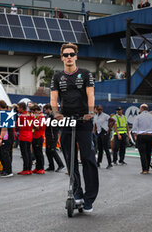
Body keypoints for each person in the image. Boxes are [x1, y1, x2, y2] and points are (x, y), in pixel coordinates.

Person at [50, 42, 98, 213]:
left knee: (88, 159)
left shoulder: (85, 74)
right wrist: (56, 113)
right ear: (61, 57)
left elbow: (90, 94)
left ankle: (89, 198)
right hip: (66, 120)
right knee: (70, 159)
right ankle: (77, 191)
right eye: (65, 55)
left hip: (84, 120)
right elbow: (53, 98)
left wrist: (90, 112)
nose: (68, 57)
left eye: (71, 54)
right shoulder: (57, 77)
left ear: (76, 56)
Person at [132, 104, 152, 174]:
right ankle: (148, 168)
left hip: (141, 136)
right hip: (150, 136)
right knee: (148, 153)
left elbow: (134, 128)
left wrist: (135, 136)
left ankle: (144, 169)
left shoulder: (138, 117)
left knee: (142, 153)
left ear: (141, 109)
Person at [43, 104, 65, 172]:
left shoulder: (53, 116)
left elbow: (55, 125)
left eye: (45, 110)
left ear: (49, 109)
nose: (44, 111)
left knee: (52, 150)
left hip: (53, 136)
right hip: (49, 135)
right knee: (47, 151)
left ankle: (61, 164)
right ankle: (51, 166)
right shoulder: (49, 115)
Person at [17, 102, 34, 175]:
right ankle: (29, 169)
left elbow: (17, 125)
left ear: (21, 108)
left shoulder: (21, 116)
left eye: (18, 107)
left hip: (23, 136)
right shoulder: (31, 115)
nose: (17, 109)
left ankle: (25, 169)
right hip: (29, 135)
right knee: (29, 153)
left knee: (24, 153)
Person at [31, 104, 46, 174]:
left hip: (39, 136)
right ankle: (37, 167)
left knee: (39, 153)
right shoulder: (37, 117)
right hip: (35, 136)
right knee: (36, 153)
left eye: (33, 112)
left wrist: (31, 124)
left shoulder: (41, 117)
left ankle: (41, 168)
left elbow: (37, 127)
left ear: (36, 111)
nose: (33, 114)